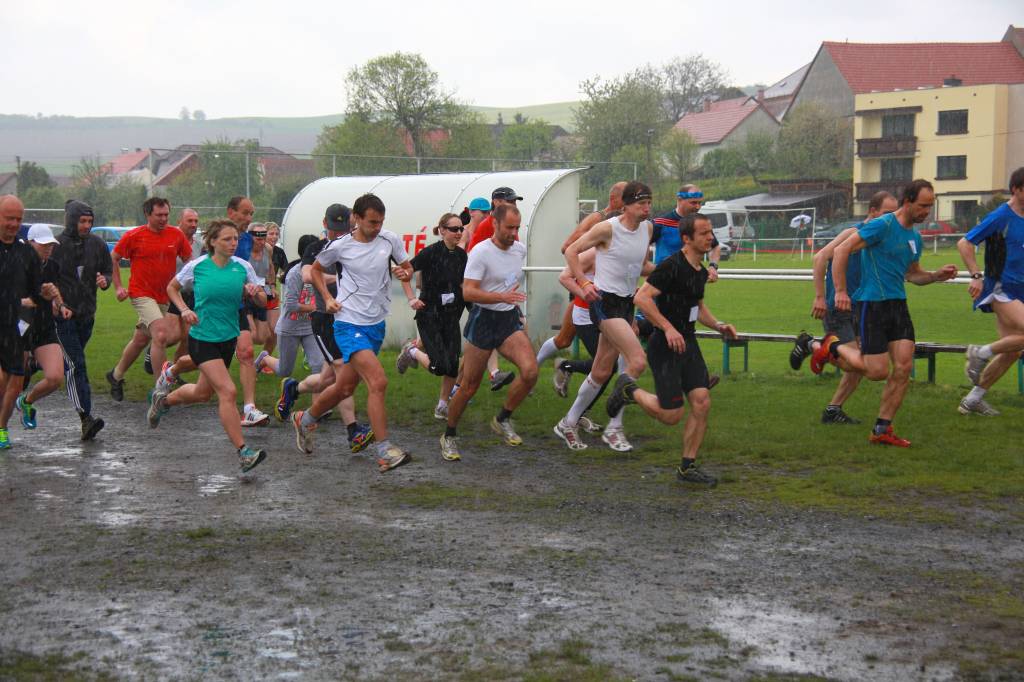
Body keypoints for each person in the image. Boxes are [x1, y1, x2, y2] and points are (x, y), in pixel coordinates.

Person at [792, 180, 958, 447]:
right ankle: (830, 345)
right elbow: (840, 250)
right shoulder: (882, 225)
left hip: (898, 306)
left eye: (930, 206)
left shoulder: (914, 237)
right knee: (877, 372)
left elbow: (913, 274)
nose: (927, 211)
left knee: (903, 367)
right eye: (923, 205)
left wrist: (935, 276)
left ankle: (882, 428)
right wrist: (841, 291)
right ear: (908, 201)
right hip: (872, 305)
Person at [606, 213, 738, 486]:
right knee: (671, 415)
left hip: (688, 343)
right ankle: (629, 390)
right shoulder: (671, 266)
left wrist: (719, 325)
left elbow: (697, 308)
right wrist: (667, 328)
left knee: (701, 402)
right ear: (686, 238)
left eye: (710, 232)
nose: (710, 238)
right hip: (665, 346)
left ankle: (687, 468)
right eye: (704, 233)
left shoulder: (700, 271)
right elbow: (642, 298)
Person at [296, 194, 414, 472]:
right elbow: (315, 271)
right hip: (348, 323)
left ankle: (305, 419)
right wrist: (327, 298)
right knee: (378, 381)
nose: (377, 227)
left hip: (376, 324)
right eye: (372, 222)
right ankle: (385, 450)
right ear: (356, 219)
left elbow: (407, 267)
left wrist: (405, 273)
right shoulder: (340, 246)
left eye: (380, 222)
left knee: (344, 388)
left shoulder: (389, 239)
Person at [147, 219, 268, 473]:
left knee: (203, 394)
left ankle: (163, 402)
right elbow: (172, 288)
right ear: (213, 241)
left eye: (235, 239)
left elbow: (262, 299)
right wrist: (184, 310)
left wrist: (254, 292)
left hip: (227, 339)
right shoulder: (198, 266)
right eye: (227, 239)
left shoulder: (243, 266)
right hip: (202, 339)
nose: (233, 243)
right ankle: (244, 452)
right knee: (228, 391)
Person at [554, 181, 655, 452]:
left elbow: (642, 266)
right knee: (636, 361)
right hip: (604, 304)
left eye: (649, 203)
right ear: (626, 205)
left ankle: (568, 422)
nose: (647, 208)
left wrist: (670, 271)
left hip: (626, 304)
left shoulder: (647, 228)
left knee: (600, 372)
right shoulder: (607, 229)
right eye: (641, 204)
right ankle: (614, 427)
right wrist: (584, 283)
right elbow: (571, 251)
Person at [439, 204, 538, 462]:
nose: (513, 233)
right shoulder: (480, 252)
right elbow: (468, 292)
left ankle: (502, 418)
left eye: (517, 228)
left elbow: (510, 281)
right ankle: (449, 435)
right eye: (509, 228)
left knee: (530, 371)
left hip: (508, 320)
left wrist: (511, 304)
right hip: (483, 319)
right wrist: (500, 296)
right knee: (469, 386)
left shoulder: (519, 250)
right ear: (495, 224)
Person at [793, 191, 898, 424]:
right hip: (838, 309)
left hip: (863, 309)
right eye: (887, 213)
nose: (891, 219)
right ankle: (812, 345)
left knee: (860, 362)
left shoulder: (880, 238)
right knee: (858, 363)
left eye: (895, 214)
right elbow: (820, 258)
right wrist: (820, 297)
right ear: (872, 211)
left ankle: (833, 410)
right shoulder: (853, 233)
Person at [289, 204, 373, 453]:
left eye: (343, 229)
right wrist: (338, 278)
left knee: (327, 380)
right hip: (325, 319)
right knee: (342, 374)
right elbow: (307, 275)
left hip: (352, 319)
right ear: (325, 223)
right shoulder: (316, 248)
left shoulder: (356, 245)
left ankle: (294, 388)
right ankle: (353, 431)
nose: (338, 234)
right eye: (334, 229)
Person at [536, 181, 627, 378]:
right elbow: (567, 247)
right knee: (564, 340)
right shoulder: (597, 219)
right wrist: (588, 262)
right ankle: (534, 370)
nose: (630, 203)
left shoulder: (622, 221)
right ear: (614, 199)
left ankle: (621, 383)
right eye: (626, 198)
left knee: (612, 345)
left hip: (603, 292)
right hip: (585, 288)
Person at [106, 197, 191, 401]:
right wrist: (118, 287)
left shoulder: (176, 235)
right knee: (160, 335)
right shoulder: (134, 236)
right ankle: (160, 390)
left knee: (141, 339)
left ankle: (115, 375)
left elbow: (189, 260)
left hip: (165, 295)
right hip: (141, 293)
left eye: (166, 215)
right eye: (159, 215)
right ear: (147, 214)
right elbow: (114, 258)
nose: (163, 219)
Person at [957, 167, 1024, 415]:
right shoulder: (1000, 217)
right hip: (1000, 288)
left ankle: (972, 400)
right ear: (1016, 189)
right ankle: (980, 352)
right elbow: (964, 243)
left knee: (1012, 350)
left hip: (1020, 289)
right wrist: (976, 276)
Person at [395, 213, 469, 425]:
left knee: (453, 366)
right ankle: (411, 351)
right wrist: (412, 299)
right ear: (442, 230)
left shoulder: (462, 256)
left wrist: (473, 305)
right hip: (429, 314)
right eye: (454, 229)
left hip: (451, 314)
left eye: (461, 229)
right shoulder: (430, 253)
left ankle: (442, 406)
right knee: (439, 366)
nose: (458, 233)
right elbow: (404, 273)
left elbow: (464, 284)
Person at [50, 199, 112, 440]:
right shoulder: (56, 246)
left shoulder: (98, 244)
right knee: (76, 364)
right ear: (71, 220)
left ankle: (32, 366)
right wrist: (58, 302)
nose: (87, 225)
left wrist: (105, 281)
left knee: (63, 362)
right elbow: (45, 278)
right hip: (63, 317)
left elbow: (107, 270)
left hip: (87, 316)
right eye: (82, 221)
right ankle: (86, 417)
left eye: (90, 221)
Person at [255, 234, 327, 419]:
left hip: (309, 327)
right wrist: (318, 307)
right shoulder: (295, 274)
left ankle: (317, 409)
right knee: (284, 370)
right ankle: (264, 358)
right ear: (308, 253)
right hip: (289, 327)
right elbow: (293, 305)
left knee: (319, 365)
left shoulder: (320, 271)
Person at [14, 225, 72, 431]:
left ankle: (26, 402)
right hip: (19, 327)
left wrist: (61, 306)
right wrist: (28, 301)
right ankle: (2, 428)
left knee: (55, 377)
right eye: (43, 244)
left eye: (51, 245)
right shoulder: (16, 264)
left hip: (44, 327)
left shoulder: (52, 266)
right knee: (14, 381)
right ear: (30, 243)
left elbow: (53, 291)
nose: (48, 248)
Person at [466, 186, 522, 391]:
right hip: (483, 289)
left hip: (503, 292)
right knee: (480, 343)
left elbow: (511, 254)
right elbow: (474, 254)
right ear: (496, 203)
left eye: (515, 202)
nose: (513, 205)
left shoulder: (510, 227)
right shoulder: (488, 225)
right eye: (509, 201)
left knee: (479, 346)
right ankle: (491, 375)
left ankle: (519, 373)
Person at [0, 196, 45, 450]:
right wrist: (16, 301)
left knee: (16, 382)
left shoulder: (26, 252)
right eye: (9, 218)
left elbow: (36, 290)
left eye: (18, 219)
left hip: (17, 327)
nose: (14, 224)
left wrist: (44, 294)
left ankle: (2, 428)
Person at [225, 196, 268, 426]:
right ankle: (171, 373)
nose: (249, 218)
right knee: (202, 386)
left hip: (238, 306)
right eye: (245, 213)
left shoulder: (247, 240)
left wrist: (255, 290)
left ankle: (249, 409)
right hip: (215, 309)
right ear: (231, 212)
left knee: (247, 352)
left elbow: (246, 271)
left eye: (252, 213)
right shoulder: (216, 237)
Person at [243, 222, 276, 364]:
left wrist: (272, 286)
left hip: (261, 293)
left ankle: (240, 346)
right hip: (244, 294)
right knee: (251, 334)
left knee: (262, 337)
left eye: (264, 237)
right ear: (250, 236)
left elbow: (271, 268)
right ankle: (241, 350)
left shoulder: (268, 249)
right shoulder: (243, 250)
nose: (262, 241)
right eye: (258, 238)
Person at [265, 222, 289, 357]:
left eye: (276, 234)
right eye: (271, 234)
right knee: (259, 334)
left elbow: (287, 270)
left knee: (275, 331)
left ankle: (263, 360)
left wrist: (281, 275)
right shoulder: (256, 251)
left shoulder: (279, 252)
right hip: (256, 292)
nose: (274, 237)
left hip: (272, 292)